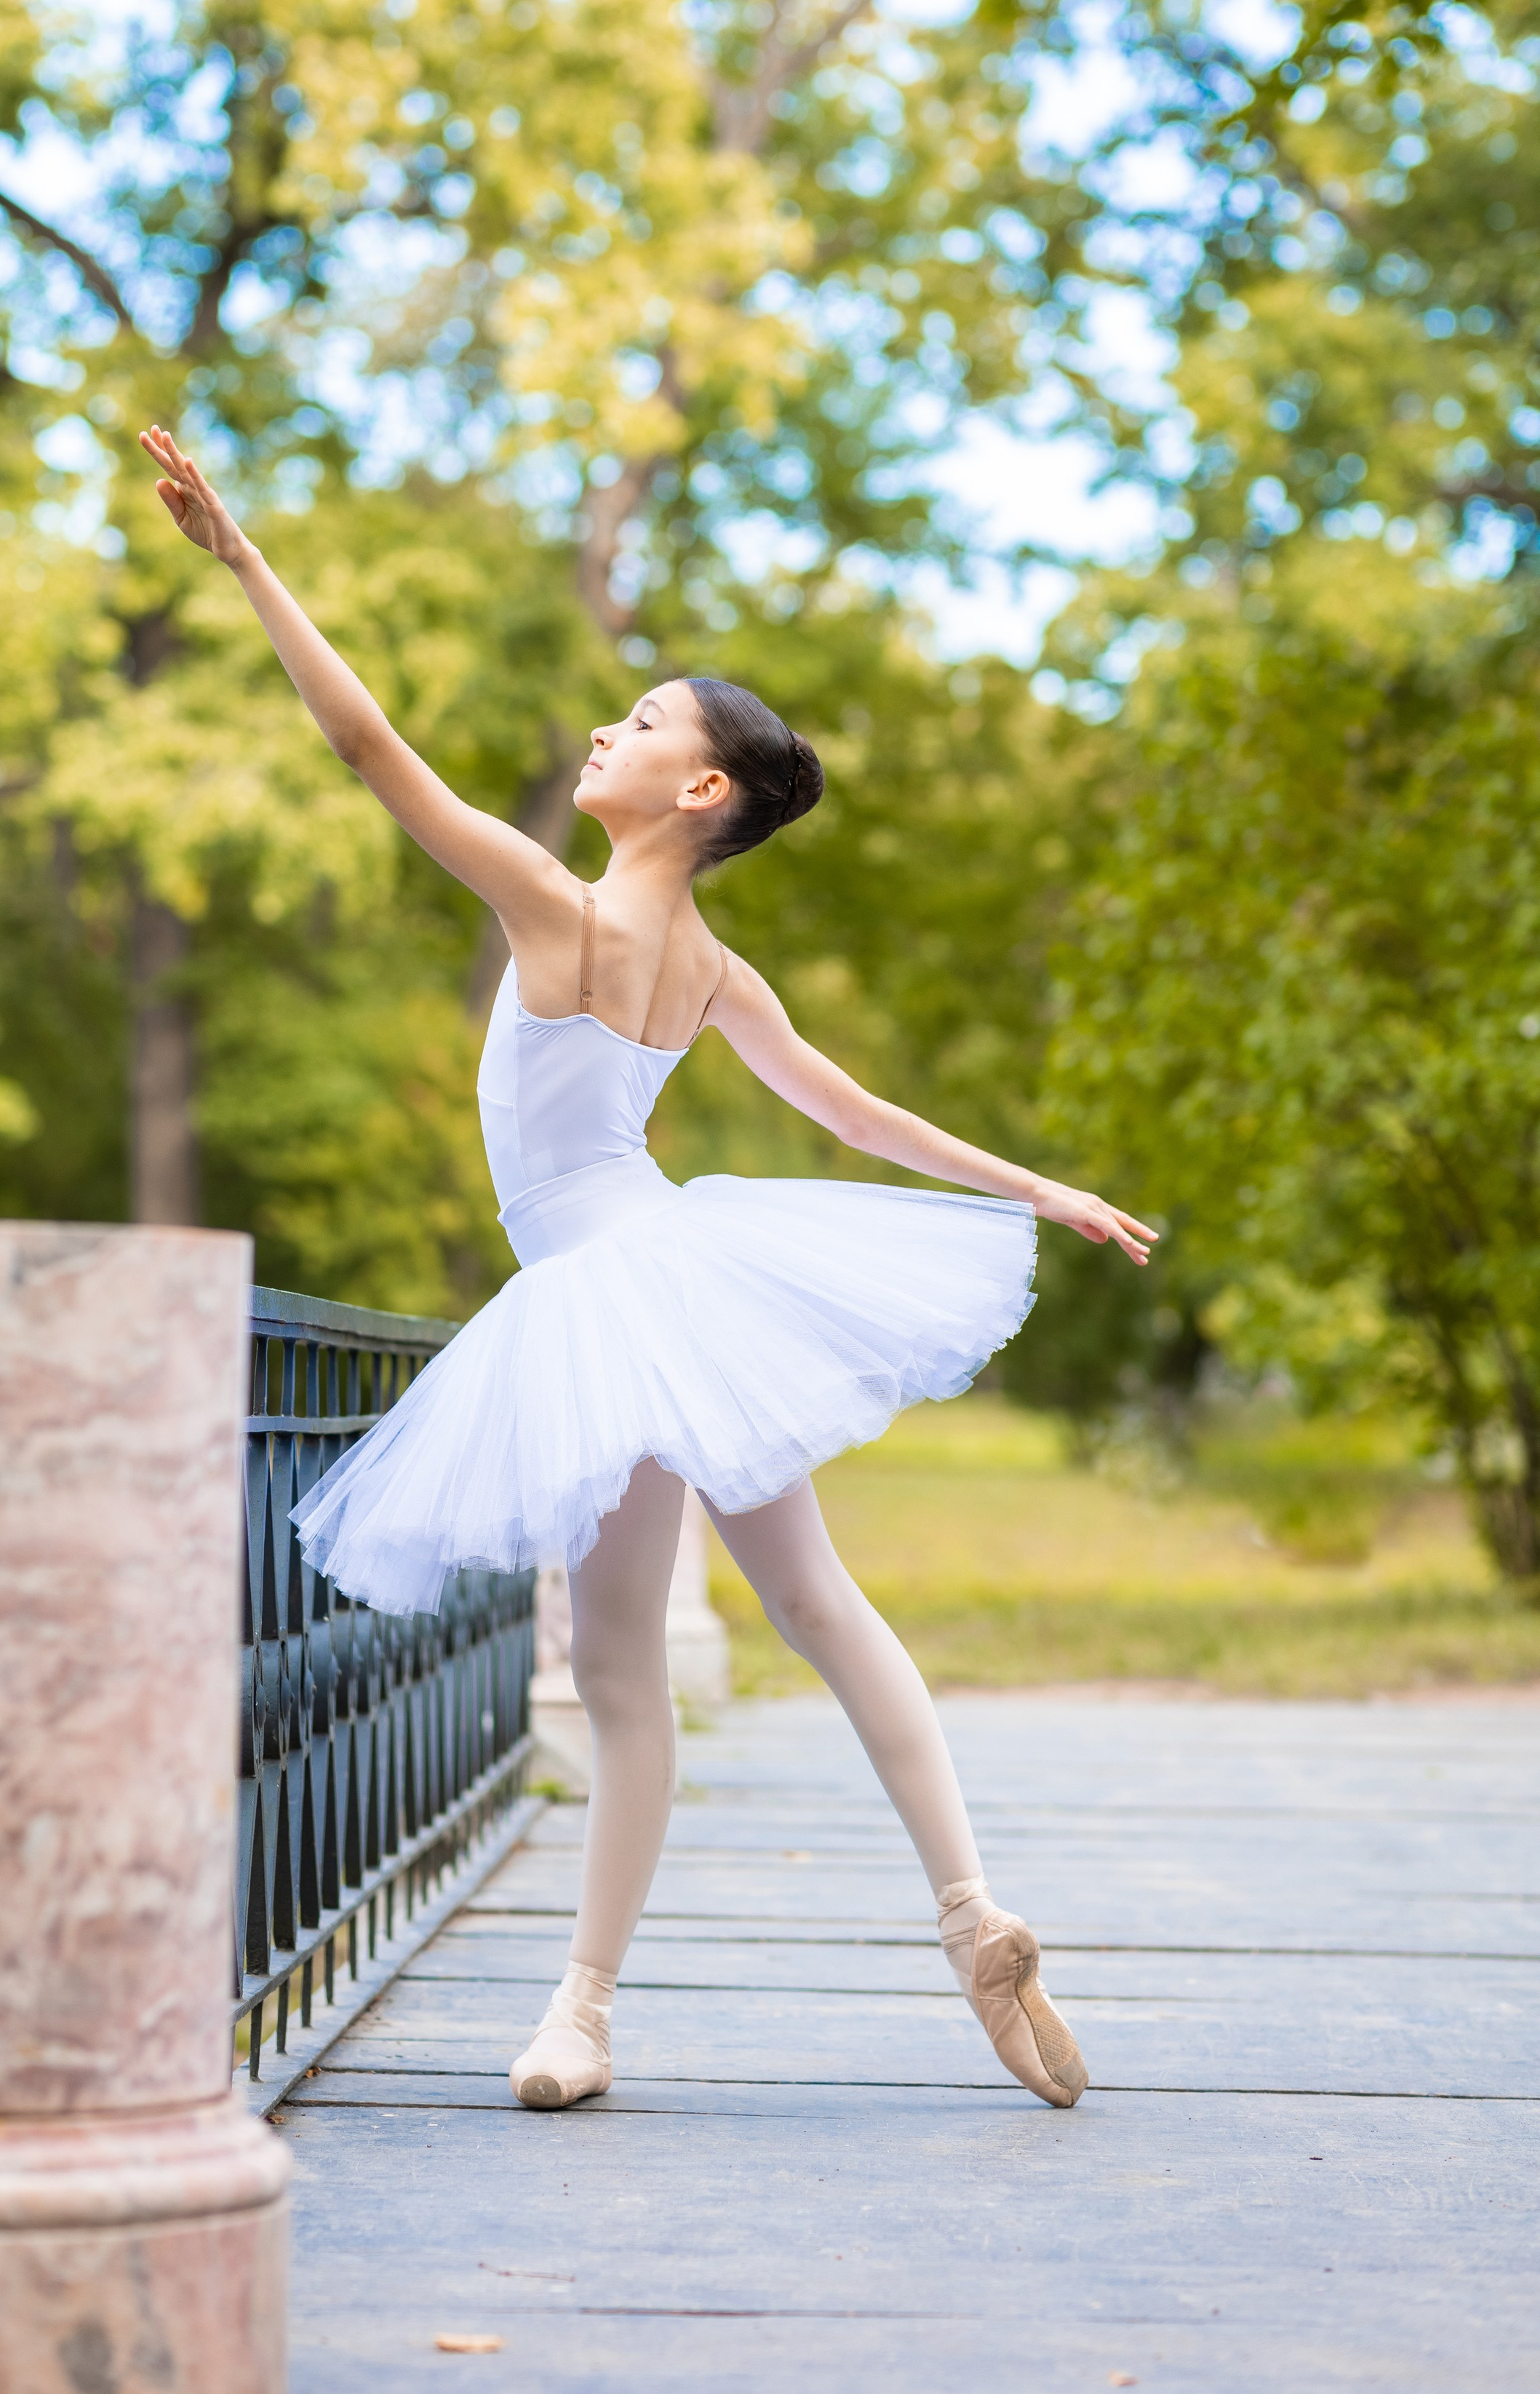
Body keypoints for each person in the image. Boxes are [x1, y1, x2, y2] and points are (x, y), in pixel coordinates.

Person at [140, 423, 1157, 2117]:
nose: (605, 729)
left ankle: (582, 2016)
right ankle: (965, 1904)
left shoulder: (559, 908)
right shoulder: (702, 958)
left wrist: (246, 564)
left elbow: (366, 745)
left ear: (695, 794)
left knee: (617, 1681)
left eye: (642, 725)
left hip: (612, 1293)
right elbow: (853, 1113)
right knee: (821, 1608)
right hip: (677, 1265)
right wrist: (1039, 1186)